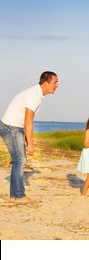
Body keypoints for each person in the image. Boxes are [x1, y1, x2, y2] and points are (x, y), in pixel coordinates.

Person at [0, 71, 58, 203]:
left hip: (14, 127)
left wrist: (27, 141)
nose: (57, 85)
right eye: (55, 82)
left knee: (18, 160)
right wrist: (30, 144)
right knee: (20, 160)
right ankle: (19, 195)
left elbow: (26, 122)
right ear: (46, 83)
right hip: (11, 127)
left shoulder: (37, 94)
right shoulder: (34, 95)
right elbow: (28, 122)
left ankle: (14, 196)